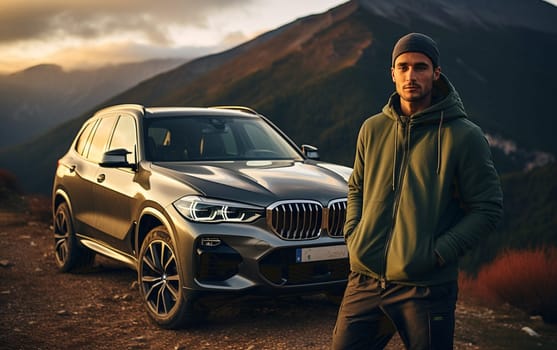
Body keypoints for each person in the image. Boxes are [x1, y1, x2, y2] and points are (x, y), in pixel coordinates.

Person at [332, 33, 503, 349]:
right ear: (393, 73)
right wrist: (354, 236)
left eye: (421, 67)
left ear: (436, 73)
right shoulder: (372, 129)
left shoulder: (464, 136)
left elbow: (488, 208)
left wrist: (437, 253)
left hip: (425, 287)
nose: (412, 76)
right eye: (404, 67)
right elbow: (356, 186)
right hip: (365, 279)